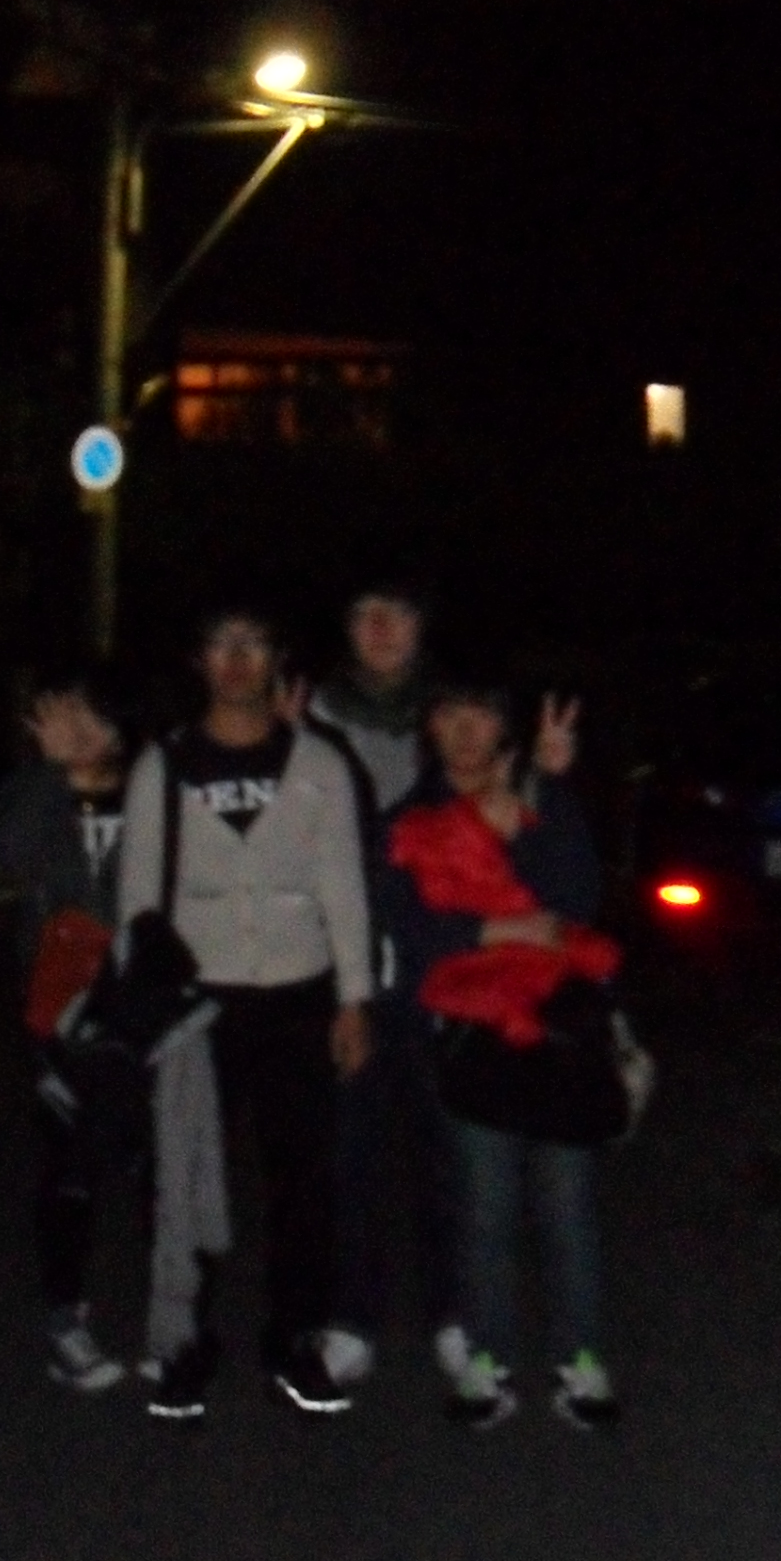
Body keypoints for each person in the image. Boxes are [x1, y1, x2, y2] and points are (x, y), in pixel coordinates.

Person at [117, 601, 373, 1421]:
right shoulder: (165, 764)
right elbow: (137, 897)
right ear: (199, 661)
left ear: (277, 660)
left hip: (298, 992)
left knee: (303, 1180)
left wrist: (354, 997)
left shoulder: (319, 762)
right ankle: (183, 1342)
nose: (236, 659)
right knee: (186, 1176)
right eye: (221, 644)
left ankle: (295, 1342)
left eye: (253, 643)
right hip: (199, 1003)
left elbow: (344, 883)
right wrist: (143, 1005)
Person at [384, 676, 625, 1433]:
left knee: (567, 1200)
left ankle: (580, 1357)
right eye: (449, 713)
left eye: (481, 713)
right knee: (482, 1203)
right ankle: (485, 1358)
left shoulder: (541, 802)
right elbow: (409, 927)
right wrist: (505, 931)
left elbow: (577, 900)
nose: (464, 729)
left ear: (506, 731)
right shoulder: (408, 818)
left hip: (558, 1029)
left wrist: (548, 794)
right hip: (469, 1032)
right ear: (429, 727)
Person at [306, 577, 453, 1376]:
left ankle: (453, 1314)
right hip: (344, 970)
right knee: (348, 1154)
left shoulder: (453, 716)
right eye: (365, 614)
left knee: (446, 1154)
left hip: (439, 970)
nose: (382, 628)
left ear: (421, 626)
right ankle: (351, 1318)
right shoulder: (313, 716)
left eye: (398, 613)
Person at [0, 660, 137, 1392]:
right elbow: (9, 855)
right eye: (63, 713)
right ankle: (65, 1316)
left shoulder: (151, 789)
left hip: (143, 1004)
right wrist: (51, 773)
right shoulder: (34, 791)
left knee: (157, 1162)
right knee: (68, 1166)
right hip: (58, 1007)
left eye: (90, 714)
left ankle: (170, 1316)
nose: (77, 729)